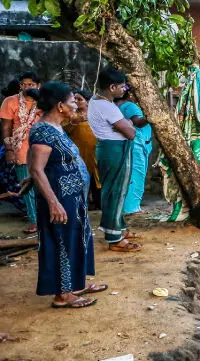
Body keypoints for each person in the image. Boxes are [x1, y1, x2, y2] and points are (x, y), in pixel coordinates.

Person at [27, 81, 107, 308]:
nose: (77, 105)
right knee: (61, 241)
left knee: (75, 238)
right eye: (73, 101)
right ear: (60, 105)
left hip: (72, 196)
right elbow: (36, 168)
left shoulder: (56, 127)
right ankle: (63, 295)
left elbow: (38, 166)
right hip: (59, 198)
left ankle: (76, 284)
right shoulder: (43, 131)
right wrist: (53, 202)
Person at [88, 67, 141, 252]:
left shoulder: (95, 101)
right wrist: (129, 124)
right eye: (122, 86)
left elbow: (125, 126)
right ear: (111, 87)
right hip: (115, 149)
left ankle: (118, 228)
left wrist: (126, 123)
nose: (124, 89)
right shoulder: (107, 106)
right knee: (116, 192)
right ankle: (114, 238)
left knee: (113, 191)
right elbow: (130, 133)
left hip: (108, 148)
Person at [0, 72, 41, 233]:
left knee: (46, 185)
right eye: (24, 84)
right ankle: (34, 220)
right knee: (27, 186)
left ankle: (48, 218)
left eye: (31, 84)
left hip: (43, 147)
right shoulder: (10, 101)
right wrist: (9, 149)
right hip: (21, 149)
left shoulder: (45, 101)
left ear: (38, 86)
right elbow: (5, 127)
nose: (27, 87)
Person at [116, 89, 151, 214]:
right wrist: (151, 116)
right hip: (136, 145)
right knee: (136, 174)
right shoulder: (130, 106)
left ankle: (127, 207)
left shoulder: (116, 107)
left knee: (128, 176)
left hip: (126, 144)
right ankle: (132, 208)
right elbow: (138, 122)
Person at [65, 89, 101, 209]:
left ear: (88, 102)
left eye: (79, 99)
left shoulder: (95, 114)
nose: (76, 101)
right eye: (74, 99)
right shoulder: (70, 115)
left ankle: (98, 202)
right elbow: (64, 131)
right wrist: (74, 122)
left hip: (95, 152)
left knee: (97, 177)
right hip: (78, 153)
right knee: (80, 175)